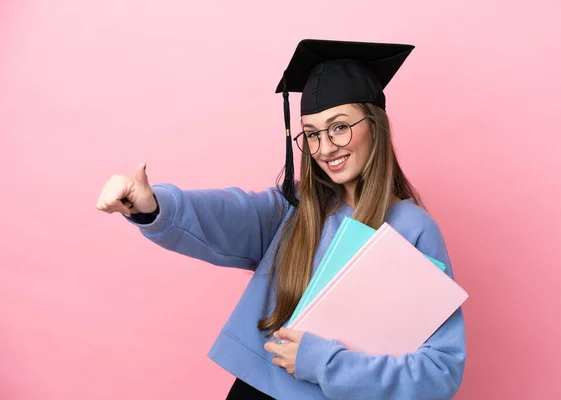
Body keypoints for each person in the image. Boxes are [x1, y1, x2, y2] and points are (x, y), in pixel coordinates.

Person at [96, 39, 467, 399]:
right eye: (312, 134)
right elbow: (228, 213)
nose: (325, 148)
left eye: (340, 126)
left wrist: (323, 362)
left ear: (375, 124)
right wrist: (153, 205)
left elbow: (439, 371)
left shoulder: (411, 230)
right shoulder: (295, 207)